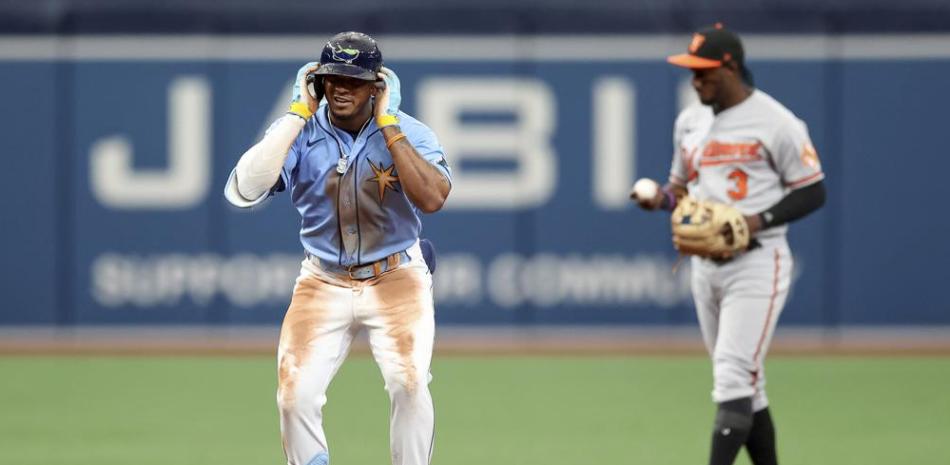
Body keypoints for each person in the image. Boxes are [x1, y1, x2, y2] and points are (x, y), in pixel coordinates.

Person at [223, 31, 451, 465]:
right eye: (332, 78)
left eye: (355, 80)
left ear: (376, 87)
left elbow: (433, 198)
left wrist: (390, 125)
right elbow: (245, 189)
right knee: (294, 396)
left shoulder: (409, 132)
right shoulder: (300, 129)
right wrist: (294, 114)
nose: (341, 88)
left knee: (409, 383)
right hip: (323, 277)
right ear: (317, 82)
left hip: (395, 274)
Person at [632, 24, 826, 465]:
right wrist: (658, 200)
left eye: (704, 73)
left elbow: (813, 190)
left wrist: (756, 220)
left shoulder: (778, 123)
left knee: (733, 380)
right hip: (705, 267)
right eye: (692, 72)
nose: (695, 81)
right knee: (746, 388)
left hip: (757, 263)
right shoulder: (690, 122)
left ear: (731, 68)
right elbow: (680, 191)